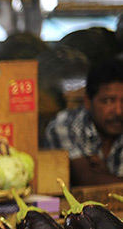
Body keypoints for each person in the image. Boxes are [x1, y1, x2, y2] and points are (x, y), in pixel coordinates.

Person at [45, 58, 123, 186]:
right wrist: (99, 177)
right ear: (87, 101)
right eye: (108, 101)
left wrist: (104, 175)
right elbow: (88, 181)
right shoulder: (64, 127)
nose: (119, 111)